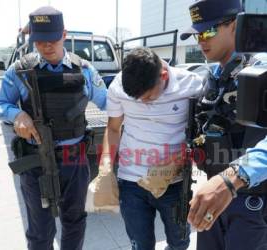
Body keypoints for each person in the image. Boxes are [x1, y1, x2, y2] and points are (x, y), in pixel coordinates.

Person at [0, 6, 107, 250]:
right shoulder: (20, 71)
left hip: (74, 160)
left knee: (75, 222)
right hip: (36, 162)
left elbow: (109, 101)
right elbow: (0, 105)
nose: (46, 46)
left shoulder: (84, 70)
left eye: (52, 39)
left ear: (64, 35)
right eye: (39, 41)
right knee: (40, 231)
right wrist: (17, 115)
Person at [180, 0, 267, 249]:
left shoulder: (261, 68)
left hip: (251, 201)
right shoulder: (212, 77)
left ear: (235, 25)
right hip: (214, 195)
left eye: (208, 31)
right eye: (197, 34)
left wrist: (233, 178)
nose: (201, 41)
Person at [99, 47, 203, 250]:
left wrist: (183, 157)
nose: (142, 103)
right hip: (131, 183)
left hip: (174, 183)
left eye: (147, 97)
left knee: (179, 244)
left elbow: (204, 131)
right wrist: (105, 170)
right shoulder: (118, 86)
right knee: (140, 246)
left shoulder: (192, 84)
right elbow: (113, 128)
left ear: (163, 76)